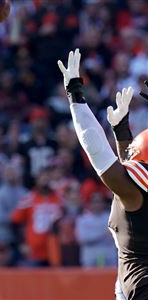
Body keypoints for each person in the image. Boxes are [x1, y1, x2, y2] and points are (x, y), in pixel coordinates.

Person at [57, 49, 148, 299]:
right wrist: (122, 134)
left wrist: (75, 94)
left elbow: (96, 149)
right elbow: (129, 165)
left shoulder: (132, 193)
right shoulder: (132, 189)